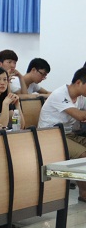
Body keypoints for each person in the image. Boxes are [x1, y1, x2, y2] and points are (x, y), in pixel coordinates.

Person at [38, 67, 86, 201]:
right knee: (83, 155)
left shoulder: (81, 97)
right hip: (50, 136)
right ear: (78, 83)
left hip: (67, 134)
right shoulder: (60, 94)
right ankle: (84, 193)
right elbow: (80, 116)